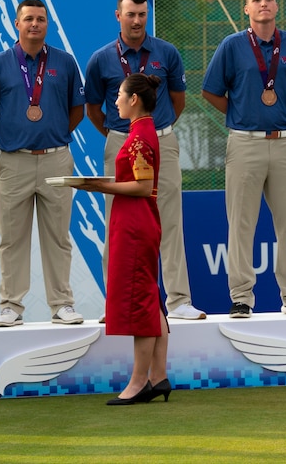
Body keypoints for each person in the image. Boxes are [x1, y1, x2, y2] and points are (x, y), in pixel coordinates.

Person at [85, 0, 205, 321]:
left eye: (142, 14)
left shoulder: (166, 53)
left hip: (162, 142)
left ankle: (179, 301)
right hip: (120, 144)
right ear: (118, 16)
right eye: (130, 14)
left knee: (169, 221)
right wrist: (119, 136)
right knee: (118, 225)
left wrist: (152, 134)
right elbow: (94, 108)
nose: (137, 20)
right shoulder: (101, 59)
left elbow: (178, 101)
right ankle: (117, 305)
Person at [202, 0, 286, 319]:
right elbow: (210, 90)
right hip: (244, 143)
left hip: (284, 143)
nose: (264, 3)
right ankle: (241, 297)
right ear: (247, 8)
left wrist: (284, 108)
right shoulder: (232, 45)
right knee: (240, 224)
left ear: (277, 6)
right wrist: (240, 112)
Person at [0, 0, 86, 327]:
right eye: (28, 19)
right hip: (15, 163)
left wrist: (53, 134)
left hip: (56, 161)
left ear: (47, 24)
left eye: (40, 19)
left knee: (58, 237)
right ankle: (11, 306)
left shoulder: (64, 63)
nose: (34, 24)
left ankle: (62, 304)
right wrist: (9, 139)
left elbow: (77, 108)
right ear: (16, 24)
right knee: (12, 237)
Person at [75, 73, 171, 405]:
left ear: (134, 100)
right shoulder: (140, 132)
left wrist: (97, 185)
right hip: (137, 222)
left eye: (119, 95)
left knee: (140, 301)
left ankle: (139, 381)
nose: (114, 100)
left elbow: (143, 187)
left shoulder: (141, 135)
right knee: (150, 296)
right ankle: (158, 376)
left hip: (135, 224)